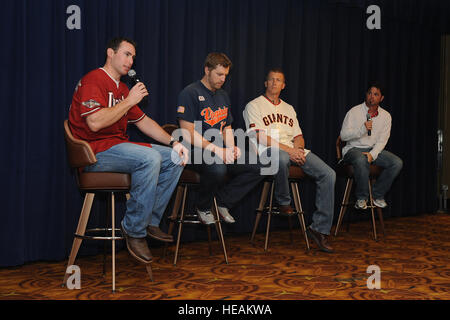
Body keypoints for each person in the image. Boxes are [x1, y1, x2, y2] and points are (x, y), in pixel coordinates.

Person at [68, 37, 189, 265]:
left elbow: (144, 122)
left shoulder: (123, 88)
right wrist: (130, 100)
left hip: (118, 149)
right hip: (94, 154)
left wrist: (174, 142)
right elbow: (94, 122)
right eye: (126, 54)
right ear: (110, 53)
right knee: (150, 158)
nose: (131, 60)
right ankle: (134, 229)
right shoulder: (94, 80)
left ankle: (149, 220)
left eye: (133, 56)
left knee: (174, 158)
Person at [243, 68, 335, 253]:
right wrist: (290, 151)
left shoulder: (289, 108)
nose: (275, 83)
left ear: (283, 86)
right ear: (266, 83)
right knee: (283, 156)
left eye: (279, 80)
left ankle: (319, 229)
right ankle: (283, 201)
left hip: (292, 151)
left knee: (329, 174)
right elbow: (260, 137)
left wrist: (299, 150)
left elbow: (299, 136)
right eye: (271, 79)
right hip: (267, 153)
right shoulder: (254, 105)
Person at [176, 52, 265, 225]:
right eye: (219, 74)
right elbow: (187, 132)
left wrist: (231, 148)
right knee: (218, 167)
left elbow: (227, 127)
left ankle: (222, 202)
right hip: (193, 151)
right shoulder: (190, 92)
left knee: (261, 165)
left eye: (225, 75)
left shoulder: (223, 95)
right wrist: (218, 150)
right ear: (207, 70)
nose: (223, 78)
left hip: (219, 151)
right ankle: (203, 206)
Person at [340, 82, 403, 210]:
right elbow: (343, 136)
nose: (371, 97)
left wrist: (372, 154)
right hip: (353, 149)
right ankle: (362, 198)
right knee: (360, 159)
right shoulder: (354, 111)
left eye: (376, 94)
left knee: (396, 162)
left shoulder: (386, 116)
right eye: (369, 93)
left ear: (381, 98)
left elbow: (382, 141)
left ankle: (377, 195)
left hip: (372, 150)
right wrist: (362, 129)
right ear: (366, 95)